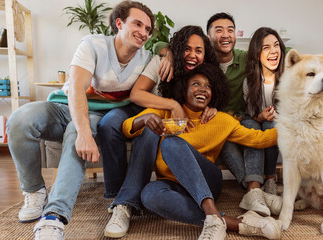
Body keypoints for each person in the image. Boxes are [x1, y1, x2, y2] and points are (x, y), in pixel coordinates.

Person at [6, 1, 155, 239]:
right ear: (119, 23)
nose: (144, 32)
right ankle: (34, 191)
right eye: (137, 24)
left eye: (148, 28)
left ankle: (54, 217)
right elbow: (76, 88)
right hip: (63, 106)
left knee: (76, 132)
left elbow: (165, 52)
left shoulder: (147, 58)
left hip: (96, 114)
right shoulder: (93, 44)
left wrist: (167, 52)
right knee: (19, 119)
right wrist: (86, 133)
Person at [123, 64, 282, 240]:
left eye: (208, 86)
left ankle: (212, 216)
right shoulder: (166, 112)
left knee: (170, 144)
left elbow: (259, 139)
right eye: (196, 84)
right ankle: (234, 223)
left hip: (208, 180)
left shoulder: (221, 120)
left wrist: (297, 126)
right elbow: (126, 127)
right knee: (149, 195)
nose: (203, 90)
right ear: (183, 89)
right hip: (173, 184)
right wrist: (143, 119)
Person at [102, 25, 220, 238]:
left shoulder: (206, 76)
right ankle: (125, 204)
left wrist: (213, 108)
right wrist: (172, 105)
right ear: (178, 48)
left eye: (199, 50)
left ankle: (216, 217)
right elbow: (137, 94)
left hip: (191, 155)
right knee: (149, 129)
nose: (192, 55)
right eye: (187, 48)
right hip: (158, 133)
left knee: (159, 135)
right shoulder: (163, 63)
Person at [206, 13, 283, 216]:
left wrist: (278, 49)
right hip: (219, 123)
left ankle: (254, 189)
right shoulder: (202, 61)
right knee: (227, 141)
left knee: (252, 127)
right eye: (219, 30)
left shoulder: (245, 56)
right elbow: (168, 46)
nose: (225, 35)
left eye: (230, 30)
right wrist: (166, 51)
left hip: (243, 119)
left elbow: (282, 50)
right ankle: (257, 192)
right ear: (208, 35)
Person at [238, 27, 286, 216]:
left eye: (276, 45)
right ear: (257, 54)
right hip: (256, 120)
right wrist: (261, 116)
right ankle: (254, 187)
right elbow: (252, 113)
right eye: (266, 47)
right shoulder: (249, 82)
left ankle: (270, 179)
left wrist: (273, 117)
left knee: (270, 125)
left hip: (278, 124)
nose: (273, 51)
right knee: (251, 125)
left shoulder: (288, 78)